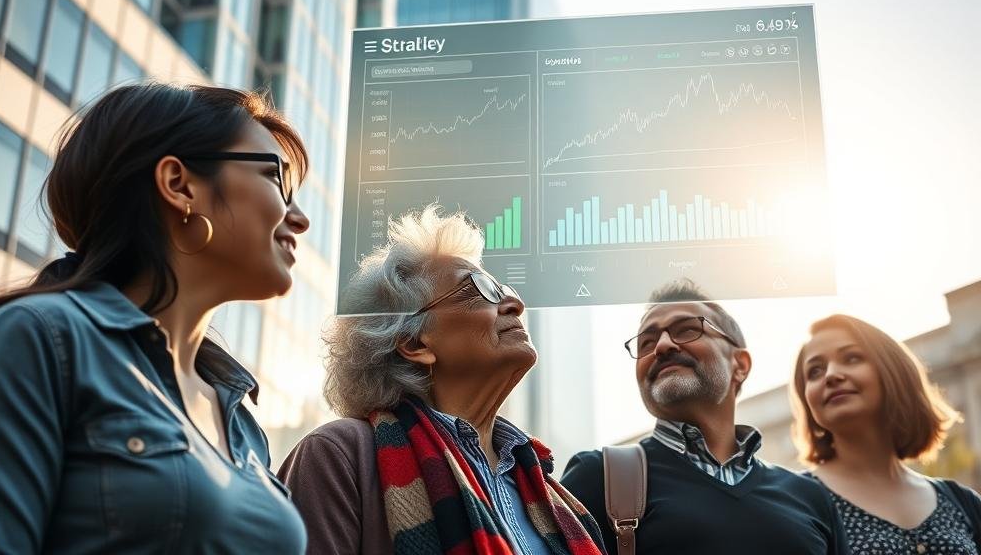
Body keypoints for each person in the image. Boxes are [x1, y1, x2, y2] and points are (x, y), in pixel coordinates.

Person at [0, 83, 311, 553]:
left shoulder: (243, 421)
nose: (300, 217)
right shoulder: (37, 339)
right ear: (179, 185)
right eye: (275, 179)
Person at [278, 205, 605, 555]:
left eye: (503, 288)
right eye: (479, 289)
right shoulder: (340, 455)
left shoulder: (556, 496)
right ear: (416, 343)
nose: (514, 303)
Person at [561, 279, 848, 555]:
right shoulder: (599, 476)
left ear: (740, 364)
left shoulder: (811, 497)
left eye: (686, 330)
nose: (661, 346)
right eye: (646, 343)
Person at [792, 314, 981, 554]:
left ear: (892, 371)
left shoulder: (963, 502)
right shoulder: (796, 501)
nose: (830, 375)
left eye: (852, 358)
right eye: (815, 371)